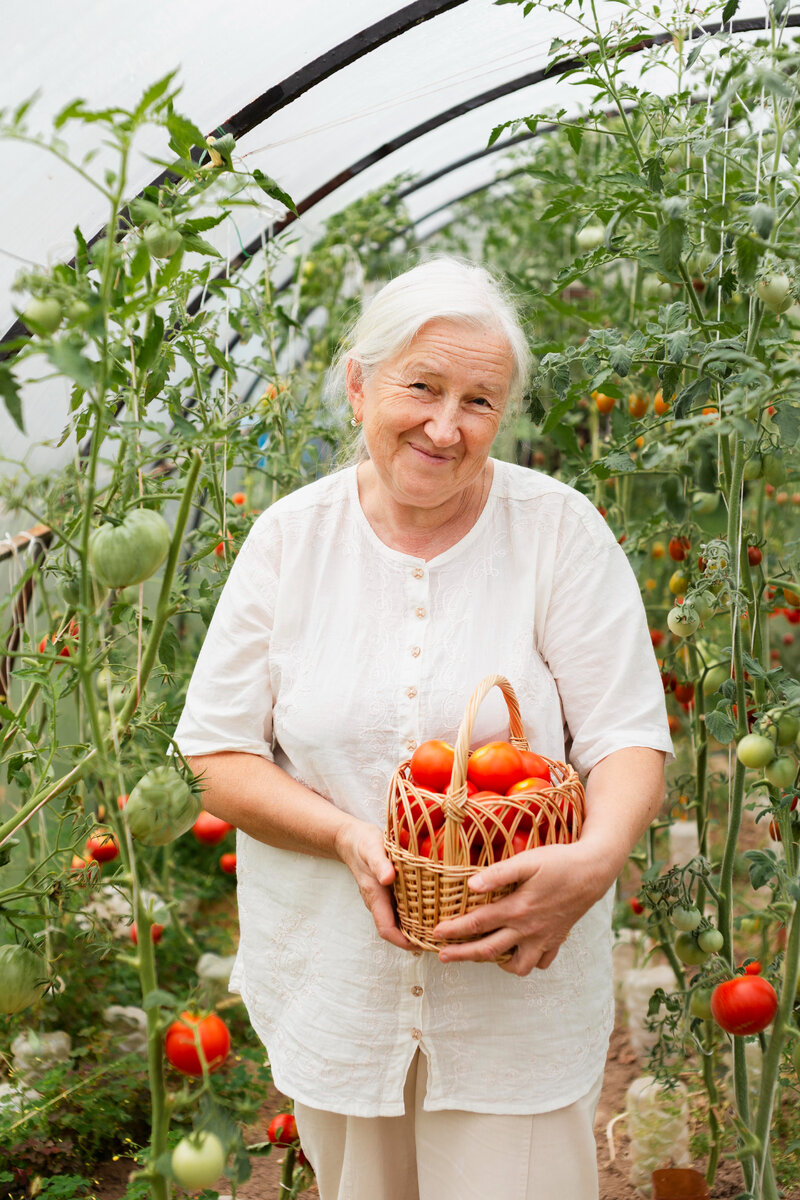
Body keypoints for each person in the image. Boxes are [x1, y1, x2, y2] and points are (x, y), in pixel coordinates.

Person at [173, 256, 672, 1200]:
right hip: (338, 988)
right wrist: (346, 836)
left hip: (517, 994)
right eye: (422, 386)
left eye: (480, 401)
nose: (447, 426)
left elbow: (626, 736)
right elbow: (215, 755)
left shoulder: (558, 534)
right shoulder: (290, 540)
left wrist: (595, 859)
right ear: (360, 383)